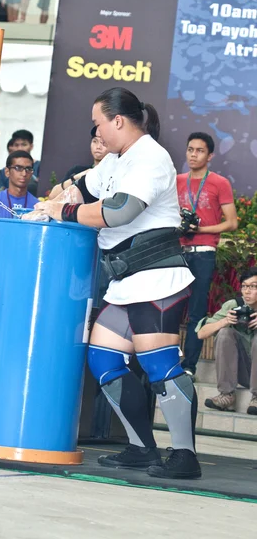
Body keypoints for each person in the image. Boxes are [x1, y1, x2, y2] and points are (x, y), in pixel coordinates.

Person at [35, 87, 201, 479]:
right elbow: (86, 184)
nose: (96, 132)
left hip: (156, 279)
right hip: (127, 281)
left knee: (160, 365)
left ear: (118, 121)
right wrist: (56, 198)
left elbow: (119, 211)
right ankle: (142, 448)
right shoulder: (116, 160)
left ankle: (185, 456)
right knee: (104, 356)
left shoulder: (152, 158)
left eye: (98, 124)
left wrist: (65, 210)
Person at [177, 133, 238, 378]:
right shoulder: (177, 180)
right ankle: (168, 360)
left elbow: (232, 223)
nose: (193, 154)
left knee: (196, 311)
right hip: (177, 251)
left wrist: (200, 229)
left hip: (203, 252)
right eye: (190, 149)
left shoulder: (219, 183)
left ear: (210, 156)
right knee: (169, 308)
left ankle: (189, 365)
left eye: (200, 151)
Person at [197, 268, 257, 415]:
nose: (247, 291)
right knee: (225, 333)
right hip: (245, 371)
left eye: (253, 286)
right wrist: (225, 321)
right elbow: (201, 333)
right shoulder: (233, 305)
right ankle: (227, 395)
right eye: (244, 286)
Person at [0, 150, 38, 283]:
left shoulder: (38, 207)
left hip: (26, 277)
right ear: (7, 172)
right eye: (18, 168)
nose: (24, 173)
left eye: (28, 169)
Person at [48, 126, 108, 201]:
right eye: (95, 141)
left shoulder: (112, 174)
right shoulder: (77, 170)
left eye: (103, 143)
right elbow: (52, 196)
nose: (98, 147)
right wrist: (77, 177)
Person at [0, 130, 40, 195]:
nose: (20, 148)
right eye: (16, 145)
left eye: (24, 145)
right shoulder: (3, 172)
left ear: (31, 146)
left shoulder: (40, 166)